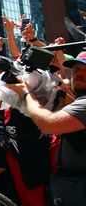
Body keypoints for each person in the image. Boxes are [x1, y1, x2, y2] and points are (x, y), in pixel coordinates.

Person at [7, 53, 86, 205]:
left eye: (85, 69)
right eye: (76, 69)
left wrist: (27, 93)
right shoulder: (80, 102)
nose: (79, 74)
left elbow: (48, 124)